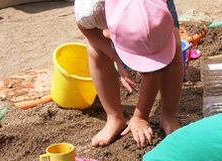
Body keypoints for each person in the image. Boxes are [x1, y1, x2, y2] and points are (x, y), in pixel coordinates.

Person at [75, 0, 183, 147]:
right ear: (109, 33)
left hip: (152, 7)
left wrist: (140, 116)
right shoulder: (90, 10)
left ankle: (169, 115)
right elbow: (85, 28)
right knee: (96, 50)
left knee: (174, 43)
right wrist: (115, 56)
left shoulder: (159, 10)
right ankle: (114, 117)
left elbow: (154, 67)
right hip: (107, 12)